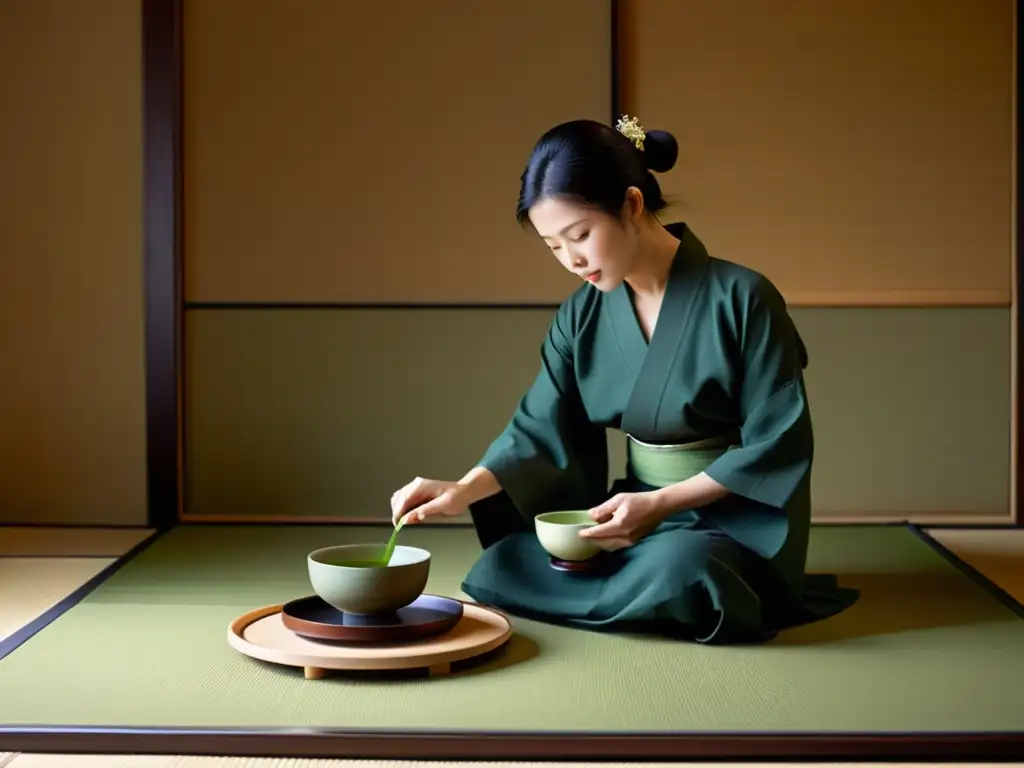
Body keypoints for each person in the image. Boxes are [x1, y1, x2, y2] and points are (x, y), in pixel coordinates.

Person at [389, 116, 859, 644]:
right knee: (502, 565)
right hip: (630, 516)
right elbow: (541, 426)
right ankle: (635, 590)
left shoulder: (743, 298)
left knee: (685, 568)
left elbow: (778, 440)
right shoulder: (581, 314)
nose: (572, 260)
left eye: (581, 235)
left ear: (633, 204)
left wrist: (663, 504)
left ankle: (664, 585)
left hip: (726, 521)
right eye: (552, 246)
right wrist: (463, 489)